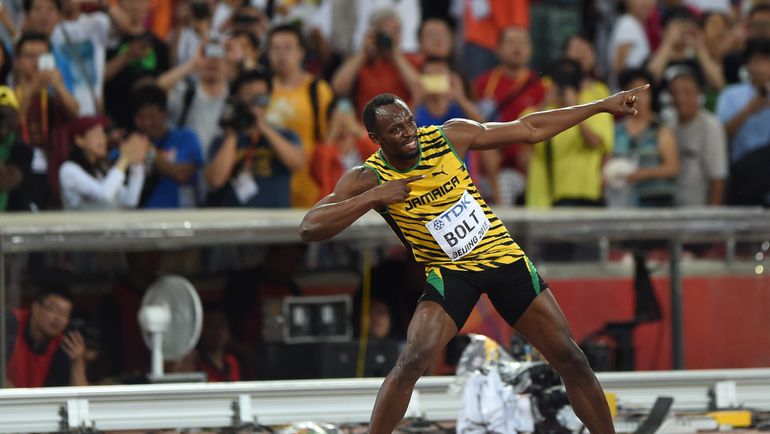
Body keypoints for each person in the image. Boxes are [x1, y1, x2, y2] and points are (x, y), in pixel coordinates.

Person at [299, 83, 649, 433]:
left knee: (571, 358)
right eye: (395, 129)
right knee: (412, 360)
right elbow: (310, 227)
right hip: (451, 273)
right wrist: (375, 197)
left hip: (503, 258)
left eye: (409, 122)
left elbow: (529, 128)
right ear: (376, 138)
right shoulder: (368, 177)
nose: (408, 133)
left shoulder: (449, 136)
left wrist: (600, 106)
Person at [204, 69, 303, 208]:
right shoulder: (222, 140)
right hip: (233, 217)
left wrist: (263, 127)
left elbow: (297, 163)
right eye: (249, 98)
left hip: (275, 218)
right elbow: (215, 180)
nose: (255, 104)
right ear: (236, 99)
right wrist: (233, 133)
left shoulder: (285, 135)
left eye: (261, 98)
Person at [609, 69, 679, 208]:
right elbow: (607, 163)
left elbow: (673, 168)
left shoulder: (660, 129)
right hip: (622, 202)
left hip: (656, 201)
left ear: (651, 96)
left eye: (644, 93)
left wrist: (644, 173)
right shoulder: (617, 130)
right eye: (634, 93)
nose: (639, 99)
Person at [129, 83, 203, 208]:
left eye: (152, 116)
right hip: (140, 216)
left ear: (164, 113)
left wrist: (148, 151)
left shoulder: (185, 137)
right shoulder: (129, 143)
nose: (147, 123)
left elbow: (183, 175)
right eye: (141, 117)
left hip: (179, 215)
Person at [59, 116, 148, 210]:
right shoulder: (68, 169)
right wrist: (124, 158)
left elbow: (130, 201)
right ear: (79, 140)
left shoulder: (103, 167)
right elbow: (104, 195)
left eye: (103, 133)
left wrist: (136, 164)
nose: (103, 139)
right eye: (96, 134)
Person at [5, 285, 87, 387]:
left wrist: (77, 362)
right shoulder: (9, 324)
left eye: (65, 314)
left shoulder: (63, 343)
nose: (58, 319)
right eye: (53, 309)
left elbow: (80, 393)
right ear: (35, 307)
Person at [667, 66, 727, 206]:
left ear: (699, 94)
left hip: (699, 208)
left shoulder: (711, 125)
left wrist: (712, 214)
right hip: (671, 206)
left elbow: (718, 178)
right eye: (675, 93)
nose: (680, 98)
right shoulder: (668, 125)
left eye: (687, 92)